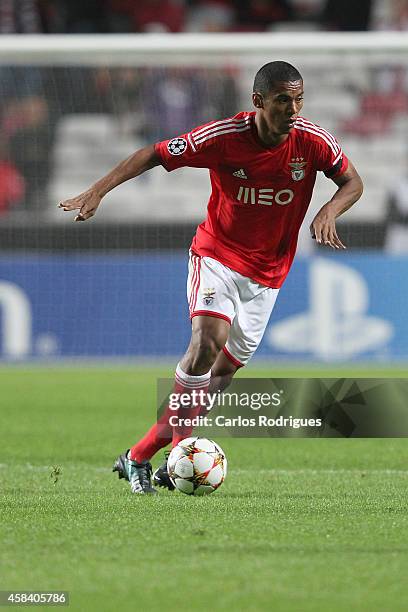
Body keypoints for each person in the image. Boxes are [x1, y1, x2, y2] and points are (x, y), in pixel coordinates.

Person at [59, 61, 364, 494]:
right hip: (217, 256)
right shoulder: (223, 138)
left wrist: (329, 210)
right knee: (207, 341)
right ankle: (180, 453)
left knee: (217, 378)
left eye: (298, 99)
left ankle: (137, 457)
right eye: (282, 100)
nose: (293, 109)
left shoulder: (312, 142)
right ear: (258, 101)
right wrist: (98, 191)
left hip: (269, 275)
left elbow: (352, 182)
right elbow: (153, 153)